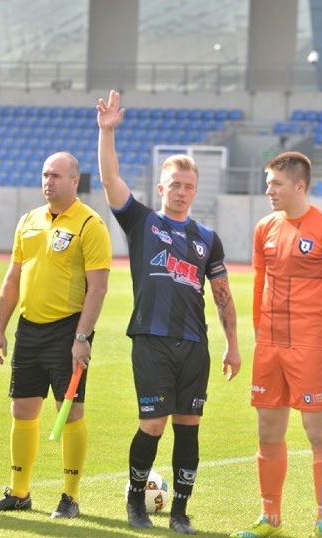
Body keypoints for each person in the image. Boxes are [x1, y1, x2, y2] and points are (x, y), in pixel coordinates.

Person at [96, 90, 241, 535]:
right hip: (151, 339)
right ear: (161, 187)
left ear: (196, 191)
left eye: (188, 186)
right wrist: (107, 134)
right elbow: (110, 181)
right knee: (153, 423)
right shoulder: (142, 221)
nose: (180, 192)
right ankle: (135, 500)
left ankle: (180, 511)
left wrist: (233, 345)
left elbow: (222, 294)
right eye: (173, 185)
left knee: (189, 426)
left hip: (195, 344)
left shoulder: (206, 238)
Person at [0, 152, 111, 519]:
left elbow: (98, 287)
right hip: (29, 328)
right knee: (22, 409)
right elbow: (12, 278)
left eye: (55, 175)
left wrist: (82, 337)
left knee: (69, 413)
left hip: (69, 331)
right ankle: (19, 492)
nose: (47, 181)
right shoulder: (28, 220)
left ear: (74, 181)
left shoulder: (90, 224)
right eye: (44, 174)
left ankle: (71, 496)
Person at [232, 151, 322, 538]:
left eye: (276, 184)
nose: (269, 190)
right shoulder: (264, 227)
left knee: (317, 431)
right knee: (268, 431)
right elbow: (257, 282)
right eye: (268, 183)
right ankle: (270, 520)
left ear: (299, 185)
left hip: (311, 345)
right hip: (269, 346)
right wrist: (257, 332)